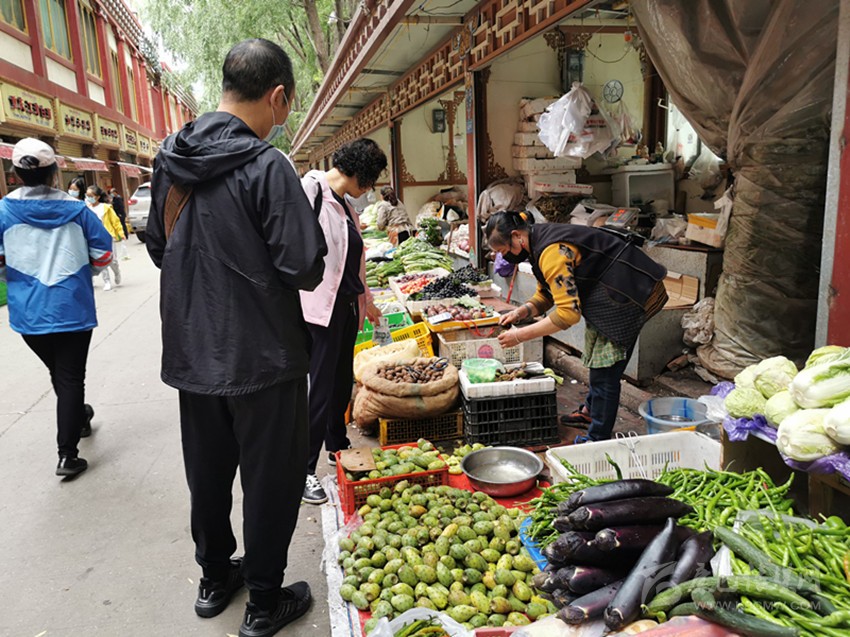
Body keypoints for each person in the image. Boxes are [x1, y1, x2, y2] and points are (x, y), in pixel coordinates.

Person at [145, 39, 327, 637]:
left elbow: (158, 249)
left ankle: (214, 578)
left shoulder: (169, 158)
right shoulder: (268, 165)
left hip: (193, 351)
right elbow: (302, 265)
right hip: (264, 356)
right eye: (288, 104)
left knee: (208, 473)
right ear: (277, 97)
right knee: (270, 480)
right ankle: (265, 601)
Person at [485, 210, 668, 442]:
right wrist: (522, 312)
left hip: (631, 293)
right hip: (609, 292)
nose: (505, 257)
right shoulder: (537, 244)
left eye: (504, 251)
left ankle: (597, 438)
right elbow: (546, 294)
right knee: (596, 360)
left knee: (606, 371)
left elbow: (567, 314)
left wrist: (520, 336)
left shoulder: (551, 251)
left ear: (516, 236)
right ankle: (590, 412)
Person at [0, 138, 113, 477]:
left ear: (16, 174)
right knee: (70, 377)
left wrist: (16, 276)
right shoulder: (78, 210)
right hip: (72, 309)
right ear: (54, 172)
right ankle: (67, 455)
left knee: (61, 375)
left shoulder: (3, 211)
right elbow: (103, 254)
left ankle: (80, 417)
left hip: (29, 314)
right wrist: (82, 273)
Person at [299, 138, 386, 506]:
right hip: (321, 309)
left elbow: (354, 261)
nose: (370, 188)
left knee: (339, 386)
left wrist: (367, 301)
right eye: (371, 178)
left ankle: (337, 446)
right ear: (359, 173)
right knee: (319, 390)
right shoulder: (310, 190)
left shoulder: (346, 205)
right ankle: (304, 470)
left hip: (347, 307)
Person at [85, 185, 125, 291]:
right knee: (101, 260)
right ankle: (107, 281)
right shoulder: (87, 209)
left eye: (91, 195)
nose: (89, 198)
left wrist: (120, 233)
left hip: (107, 237)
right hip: (95, 238)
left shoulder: (106, 208)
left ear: (97, 197)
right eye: (87, 195)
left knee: (113, 260)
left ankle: (117, 272)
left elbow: (115, 221)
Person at [108, 188, 130, 259]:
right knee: (120, 225)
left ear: (115, 192)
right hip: (117, 214)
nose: (111, 194)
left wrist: (121, 214)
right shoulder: (114, 198)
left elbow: (121, 206)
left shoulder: (118, 198)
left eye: (112, 192)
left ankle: (125, 235)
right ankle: (120, 236)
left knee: (122, 225)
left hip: (120, 214)